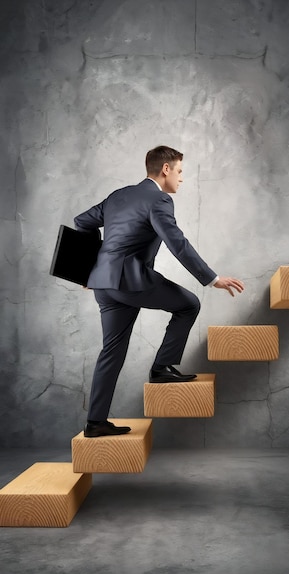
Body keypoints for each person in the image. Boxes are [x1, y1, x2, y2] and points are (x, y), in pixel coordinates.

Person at [74, 146, 244, 437]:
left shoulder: (118, 195)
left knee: (111, 351)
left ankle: (94, 423)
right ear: (165, 169)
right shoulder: (159, 200)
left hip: (103, 285)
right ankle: (162, 367)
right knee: (188, 304)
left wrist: (90, 269)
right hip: (130, 281)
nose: (181, 178)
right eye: (179, 171)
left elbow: (81, 222)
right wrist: (213, 279)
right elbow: (178, 244)